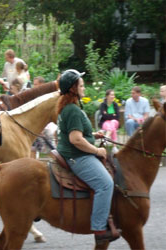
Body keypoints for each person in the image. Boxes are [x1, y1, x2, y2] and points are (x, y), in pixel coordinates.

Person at [56, 69, 120, 244]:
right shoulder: (73, 110)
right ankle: (99, 229)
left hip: (69, 152)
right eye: (81, 85)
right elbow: (75, 139)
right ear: (73, 89)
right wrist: (97, 150)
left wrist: (92, 134)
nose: (84, 87)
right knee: (106, 184)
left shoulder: (67, 107)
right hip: (77, 156)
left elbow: (76, 132)